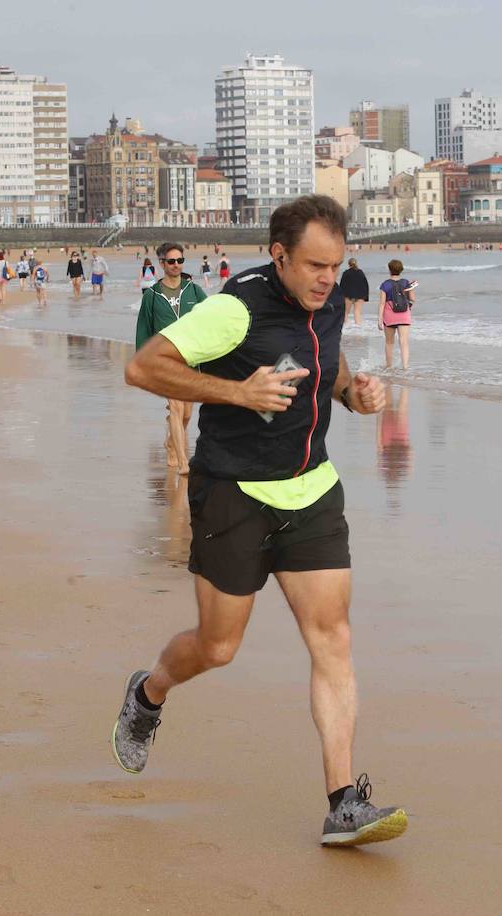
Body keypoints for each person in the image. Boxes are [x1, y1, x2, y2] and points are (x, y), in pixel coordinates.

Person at [116, 195, 405, 847]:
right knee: (217, 647)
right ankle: (149, 694)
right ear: (279, 256)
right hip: (234, 493)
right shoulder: (233, 309)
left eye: (337, 265)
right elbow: (143, 367)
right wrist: (237, 392)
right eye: (314, 266)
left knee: (333, 639)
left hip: (312, 490)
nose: (329, 279)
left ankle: (342, 802)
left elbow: (324, 366)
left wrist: (353, 395)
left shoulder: (325, 301)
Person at [134, 243, 207, 477]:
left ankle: (170, 441)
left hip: (191, 358)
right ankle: (183, 461)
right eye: (171, 261)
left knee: (186, 413)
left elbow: (211, 316)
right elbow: (143, 329)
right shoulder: (152, 296)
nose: (176, 265)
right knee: (176, 408)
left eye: (180, 261)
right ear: (162, 264)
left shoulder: (193, 290)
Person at [378, 259, 415, 370]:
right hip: (404, 315)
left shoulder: (385, 285)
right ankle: (405, 367)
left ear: (389, 270)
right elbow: (413, 299)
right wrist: (408, 307)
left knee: (389, 342)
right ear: (401, 270)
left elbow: (381, 304)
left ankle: (389, 367)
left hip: (389, 316)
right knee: (404, 342)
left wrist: (380, 320)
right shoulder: (406, 283)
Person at [339, 258, 369, 327]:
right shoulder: (360, 272)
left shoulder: (346, 273)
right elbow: (365, 285)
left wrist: (340, 296)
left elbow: (342, 285)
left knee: (346, 313)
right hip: (360, 295)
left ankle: (344, 328)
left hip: (348, 295)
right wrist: (366, 297)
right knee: (357, 312)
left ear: (349, 264)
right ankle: (358, 328)